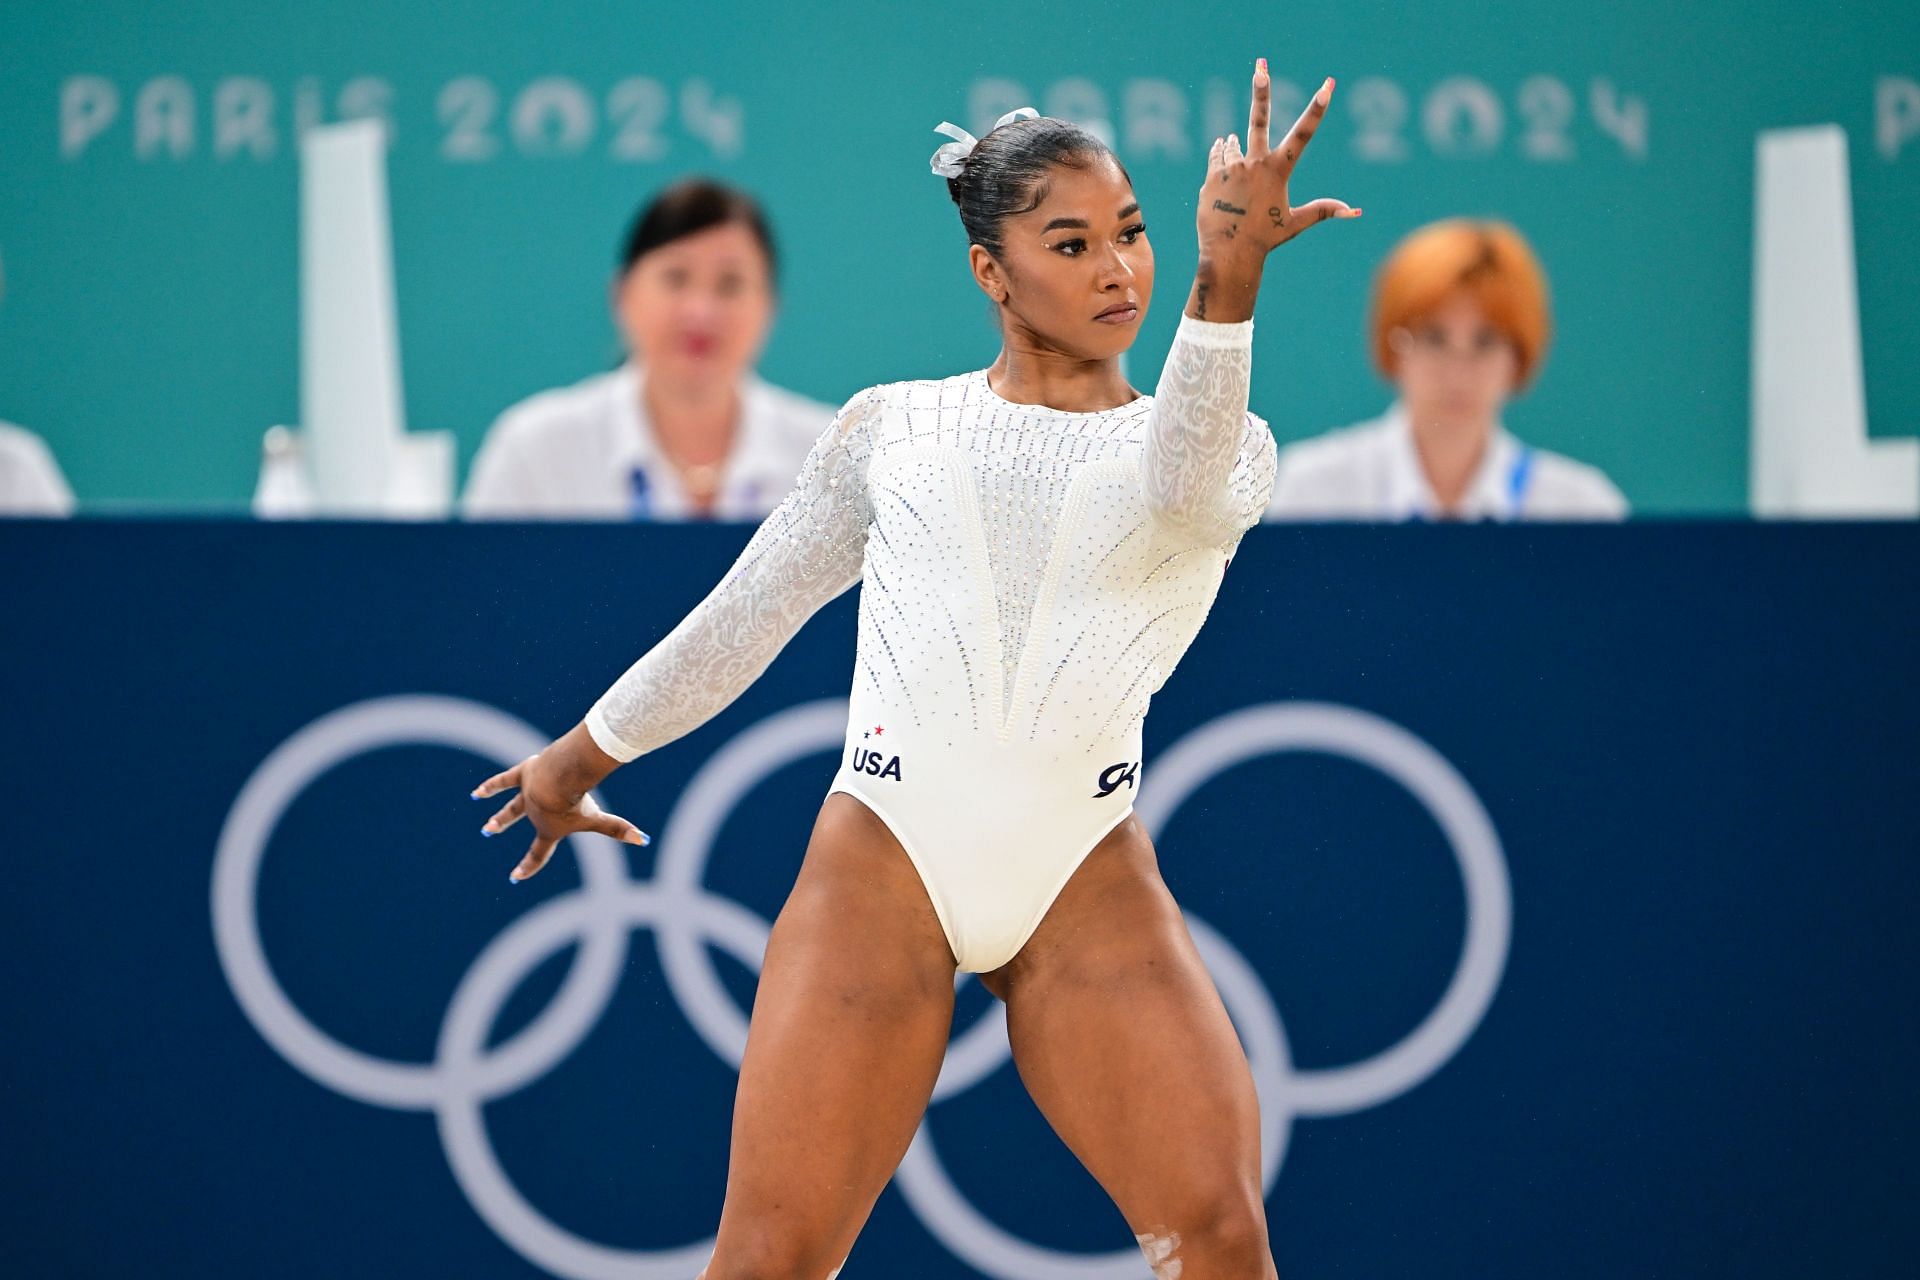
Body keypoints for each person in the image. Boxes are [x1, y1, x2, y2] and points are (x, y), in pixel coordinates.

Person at [471, 61, 1357, 1279]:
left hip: (1081, 874)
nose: (1118, 268)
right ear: (992, 273)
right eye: (1073, 242)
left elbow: (1182, 480)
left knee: (1218, 1238)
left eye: (1136, 234)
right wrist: (579, 755)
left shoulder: (1222, 445)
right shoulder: (896, 428)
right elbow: (750, 613)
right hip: (881, 860)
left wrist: (1228, 280)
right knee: (769, 1257)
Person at [463, 179, 835, 520]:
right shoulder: (536, 451)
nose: (700, 311)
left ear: (769, 306)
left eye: (730, 284)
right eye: (676, 277)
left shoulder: (833, 459)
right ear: (622, 294)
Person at [1265, 218, 1626, 521]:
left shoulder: (1582, 509)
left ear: (1518, 356)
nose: (1458, 373)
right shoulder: (1313, 493)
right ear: (1393, 345)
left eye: (1484, 342)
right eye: (1434, 339)